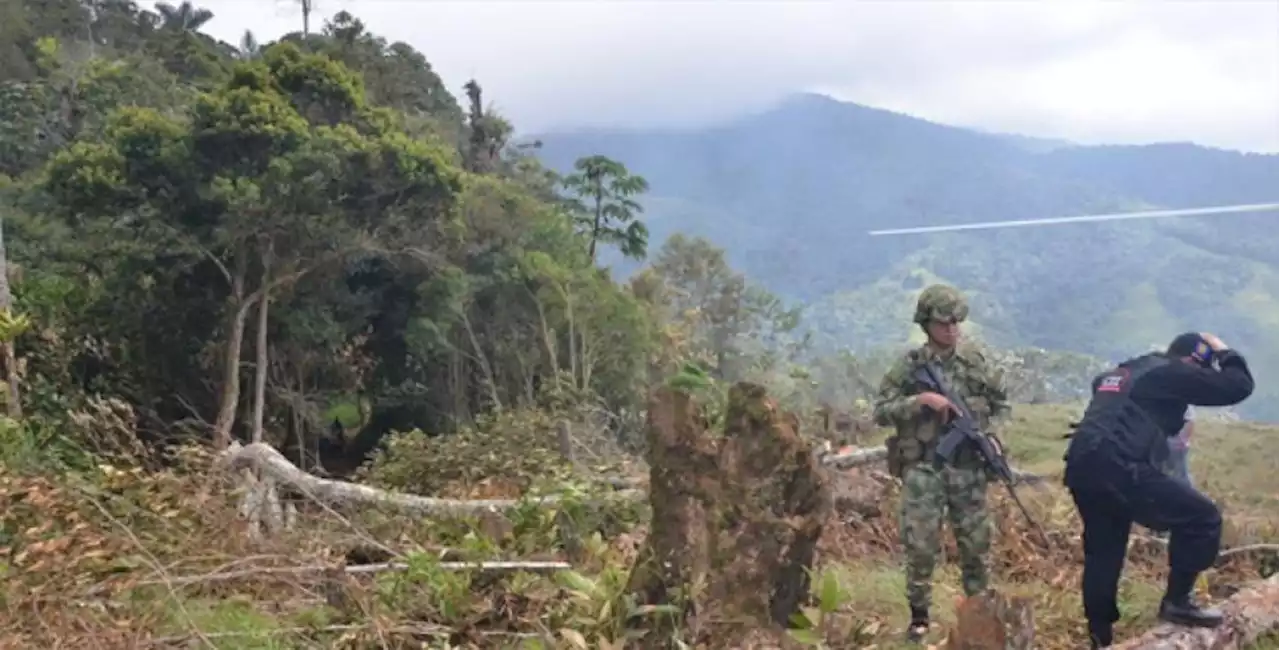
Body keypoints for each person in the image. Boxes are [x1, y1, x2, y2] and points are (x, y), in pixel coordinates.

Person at [1063, 332, 1254, 648]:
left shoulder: (1125, 370)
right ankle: (1178, 601)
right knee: (1202, 518)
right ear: (1192, 361)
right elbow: (1238, 386)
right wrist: (1222, 351)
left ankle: (1100, 639)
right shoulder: (1171, 371)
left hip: (1083, 464)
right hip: (1118, 465)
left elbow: (1099, 383)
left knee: (1103, 552)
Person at [873, 284, 1011, 643]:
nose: (951, 329)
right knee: (920, 545)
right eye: (943, 323)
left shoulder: (975, 363)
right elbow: (880, 411)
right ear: (926, 324)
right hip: (925, 469)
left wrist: (991, 435)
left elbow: (1003, 405)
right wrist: (921, 401)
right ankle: (919, 618)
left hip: (969, 469)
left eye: (956, 322)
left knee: (976, 546)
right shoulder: (909, 366)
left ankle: (977, 614)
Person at [1164, 404, 1195, 488]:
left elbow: (1190, 421)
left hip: (1177, 443)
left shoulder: (1181, 400)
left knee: (1180, 474)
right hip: (1162, 441)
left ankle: (1189, 494)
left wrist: (1183, 440)